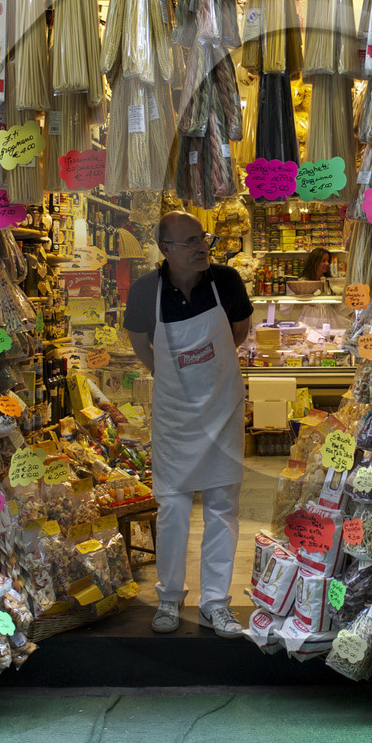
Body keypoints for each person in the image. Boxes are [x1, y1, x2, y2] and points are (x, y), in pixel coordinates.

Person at [124, 211, 254, 637]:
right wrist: (169, 374)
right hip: (175, 414)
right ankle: (169, 597)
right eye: (191, 242)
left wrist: (209, 374)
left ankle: (215, 603)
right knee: (173, 508)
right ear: (166, 249)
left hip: (222, 409)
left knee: (222, 509)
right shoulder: (145, 290)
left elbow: (238, 332)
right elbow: (139, 341)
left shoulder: (226, 281)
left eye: (204, 238)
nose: (202, 247)